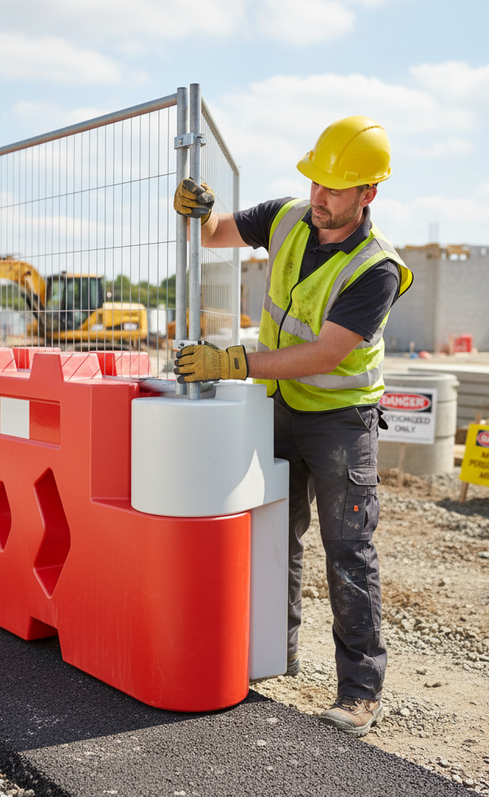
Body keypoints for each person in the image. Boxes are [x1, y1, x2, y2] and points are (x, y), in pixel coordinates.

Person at [172, 116, 413, 738]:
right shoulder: (285, 218)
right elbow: (218, 234)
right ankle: (274, 657)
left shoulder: (375, 267)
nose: (320, 197)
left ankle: (359, 692)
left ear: (369, 194)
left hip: (339, 421)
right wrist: (201, 211)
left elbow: (326, 354)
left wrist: (234, 362)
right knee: (275, 536)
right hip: (279, 408)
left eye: (336, 188)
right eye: (316, 183)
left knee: (348, 552)